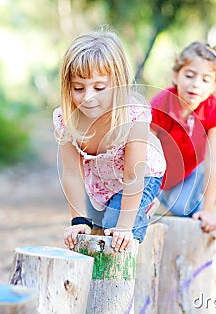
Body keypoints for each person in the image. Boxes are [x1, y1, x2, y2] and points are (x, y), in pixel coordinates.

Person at [53, 27, 166, 253]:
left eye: (99, 88)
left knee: (115, 232)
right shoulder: (66, 119)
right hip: (99, 180)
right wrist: (78, 220)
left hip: (141, 176)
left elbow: (133, 174)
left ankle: (144, 210)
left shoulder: (133, 114)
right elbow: (72, 173)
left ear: (117, 84)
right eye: (78, 88)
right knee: (91, 235)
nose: (88, 98)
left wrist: (124, 226)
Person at [150, 41, 216, 233]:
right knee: (148, 209)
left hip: (191, 172)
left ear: (214, 84)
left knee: (181, 209)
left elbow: (214, 161)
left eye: (205, 79)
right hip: (158, 173)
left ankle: (203, 201)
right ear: (176, 75)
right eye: (189, 75)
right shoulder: (160, 105)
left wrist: (208, 211)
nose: (195, 85)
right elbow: (146, 154)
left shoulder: (214, 111)